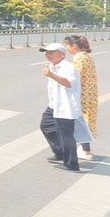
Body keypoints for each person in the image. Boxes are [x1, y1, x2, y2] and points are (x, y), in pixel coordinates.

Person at [38, 43, 82, 172]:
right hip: (54, 105)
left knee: (66, 135)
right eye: (47, 52)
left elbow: (68, 83)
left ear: (62, 54)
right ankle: (60, 152)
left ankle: (71, 163)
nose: (48, 55)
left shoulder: (68, 67)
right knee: (46, 125)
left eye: (52, 52)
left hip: (65, 106)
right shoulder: (53, 65)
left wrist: (51, 75)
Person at [63, 34, 97, 159]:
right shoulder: (87, 57)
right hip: (90, 94)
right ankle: (86, 149)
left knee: (80, 122)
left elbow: (75, 78)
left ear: (74, 45)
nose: (66, 48)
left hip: (82, 95)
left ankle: (86, 151)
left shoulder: (78, 59)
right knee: (85, 120)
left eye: (66, 46)